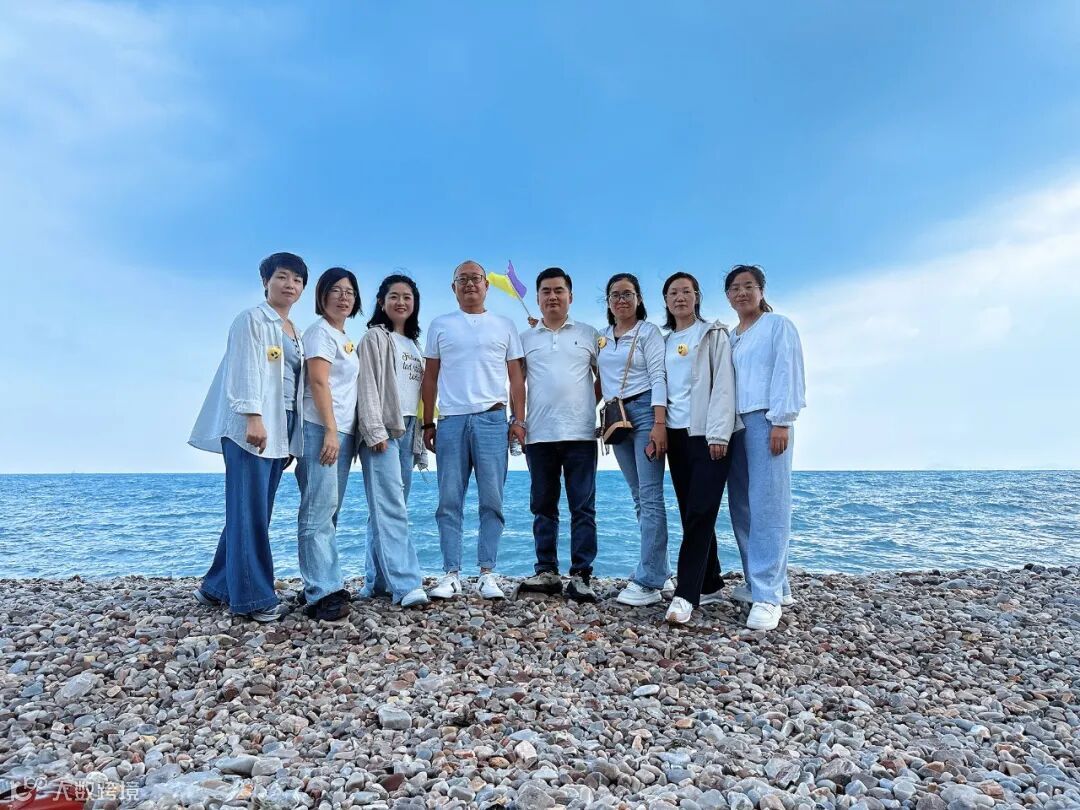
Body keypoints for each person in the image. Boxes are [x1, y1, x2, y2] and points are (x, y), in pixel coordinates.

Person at [189, 252, 308, 622]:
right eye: (282, 277)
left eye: (297, 280)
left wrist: (289, 436)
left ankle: (216, 586)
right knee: (249, 513)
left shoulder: (294, 330)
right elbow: (243, 371)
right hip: (252, 425)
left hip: (280, 425)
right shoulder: (252, 319)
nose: (290, 285)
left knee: (253, 510)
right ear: (265, 282)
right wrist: (253, 418)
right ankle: (254, 598)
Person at [421, 260, 526, 600]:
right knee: (449, 500)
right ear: (453, 287)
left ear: (486, 285)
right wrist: (427, 421)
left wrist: (519, 420)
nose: (469, 284)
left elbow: (516, 378)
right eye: (462, 279)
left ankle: (487, 574)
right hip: (451, 420)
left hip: (493, 420)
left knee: (492, 500)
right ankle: (451, 573)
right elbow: (430, 377)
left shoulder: (504, 325)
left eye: (476, 278)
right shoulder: (440, 325)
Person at [725, 264, 806, 631]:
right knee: (741, 505)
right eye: (735, 288)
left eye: (748, 286)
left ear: (761, 290)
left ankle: (768, 597)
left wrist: (782, 421)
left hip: (766, 419)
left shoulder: (777, 325)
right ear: (728, 296)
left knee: (769, 505)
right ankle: (767, 583)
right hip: (734, 424)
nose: (742, 293)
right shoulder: (731, 337)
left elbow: (788, 371)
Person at [659, 272, 739, 625]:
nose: (680, 297)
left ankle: (686, 594)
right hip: (675, 435)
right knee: (691, 510)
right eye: (673, 292)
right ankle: (710, 582)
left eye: (686, 291)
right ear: (665, 300)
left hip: (708, 433)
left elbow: (724, 384)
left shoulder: (713, 333)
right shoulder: (663, 341)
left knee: (701, 512)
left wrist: (720, 434)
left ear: (697, 297)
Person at [517, 267, 601, 603]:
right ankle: (547, 572)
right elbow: (516, 384)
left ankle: (581, 575)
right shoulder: (525, 338)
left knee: (583, 508)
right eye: (546, 291)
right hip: (539, 434)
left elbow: (604, 376)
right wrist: (517, 420)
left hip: (581, 434)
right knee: (543, 506)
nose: (553, 296)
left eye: (559, 290)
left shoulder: (589, 334)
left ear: (570, 296)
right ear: (538, 298)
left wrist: (588, 402)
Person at [597, 273, 672, 606]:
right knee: (639, 497)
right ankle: (660, 571)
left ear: (639, 298)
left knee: (651, 496)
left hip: (645, 413)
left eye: (627, 294)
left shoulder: (648, 332)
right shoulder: (602, 337)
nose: (621, 300)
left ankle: (648, 580)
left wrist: (659, 423)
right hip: (616, 417)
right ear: (608, 301)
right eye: (615, 295)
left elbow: (659, 376)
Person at [355, 273, 430, 608]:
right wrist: (374, 430)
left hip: (409, 428)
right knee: (391, 506)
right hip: (383, 427)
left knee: (385, 509)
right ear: (381, 302)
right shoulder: (375, 337)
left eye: (407, 297)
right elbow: (367, 385)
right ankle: (406, 583)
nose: (401, 302)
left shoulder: (414, 345)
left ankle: (377, 582)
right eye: (394, 296)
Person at [295, 267, 362, 621]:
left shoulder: (343, 336)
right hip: (321, 428)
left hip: (342, 432)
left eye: (349, 291)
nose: (343, 297)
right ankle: (322, 592)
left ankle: (320, 581)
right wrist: (331, 431)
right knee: (317, 511)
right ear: (322, 295)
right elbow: (318, 383)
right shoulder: (319, 332)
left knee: (329, 511)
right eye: (335, 290)